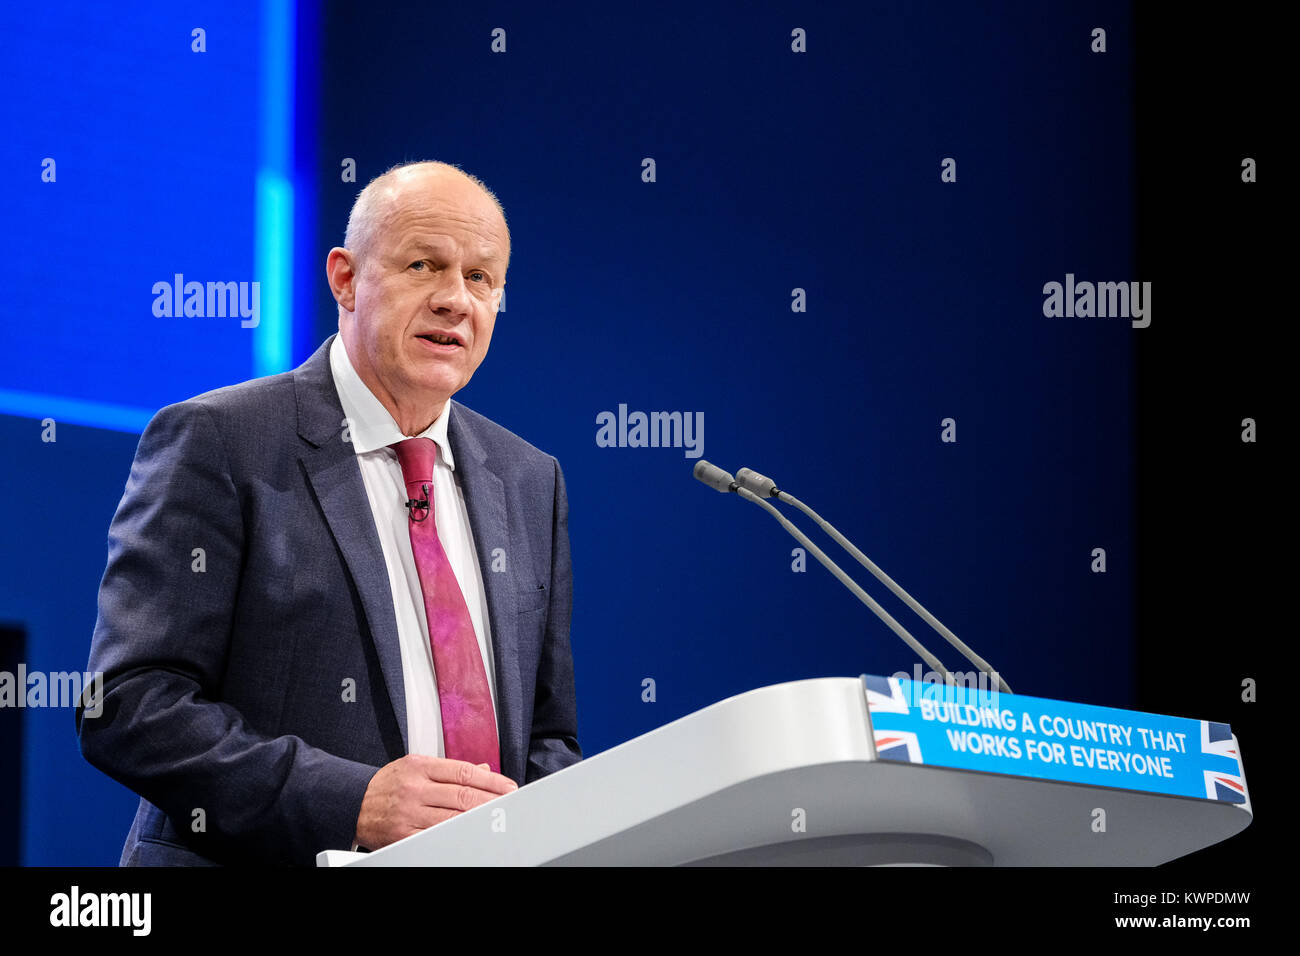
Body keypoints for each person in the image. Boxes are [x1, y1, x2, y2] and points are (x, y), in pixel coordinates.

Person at [77, 161, 581, 866]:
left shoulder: (529, 479)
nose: (454, 300)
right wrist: (352, 804)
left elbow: (547, 736)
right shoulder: (223, 441)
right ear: (344, 278)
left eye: (481, 278)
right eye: (422, 264)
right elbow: (130, 705)